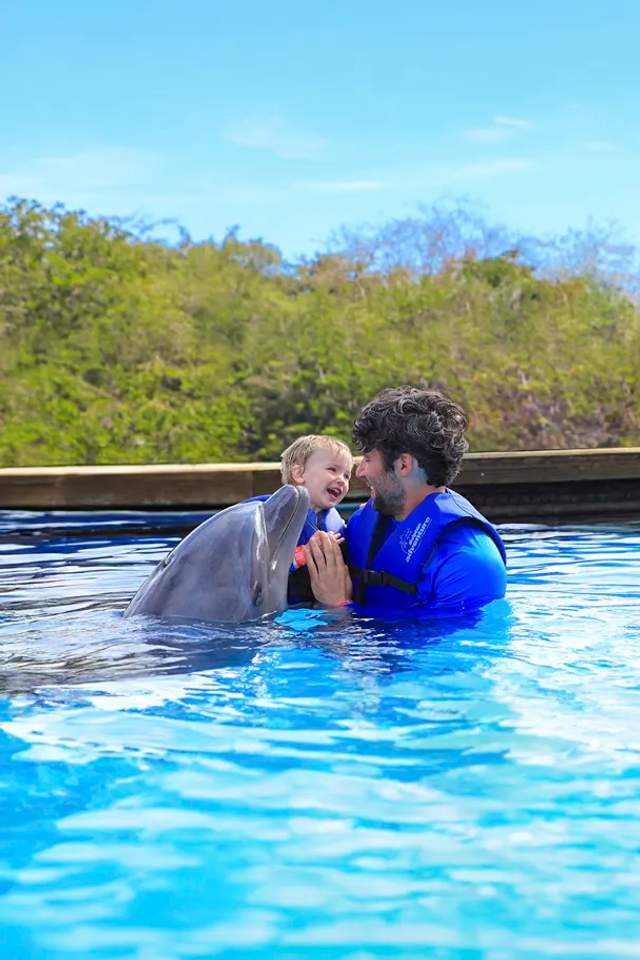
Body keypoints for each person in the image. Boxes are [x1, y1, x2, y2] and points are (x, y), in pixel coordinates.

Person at [304, 387, 507, 613]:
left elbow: (441, 648)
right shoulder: (362, 522)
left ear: (403, 465)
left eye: (368, 459)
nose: (360, 472)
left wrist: (336, 607)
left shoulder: (469, 562)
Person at [250, 435, 353, 604]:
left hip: (314, 610)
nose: (341, 480)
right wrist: (302, 554)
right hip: (278, 613)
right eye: (332, 469)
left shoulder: (337, 525)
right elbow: (258, 571)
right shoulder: (272, 515)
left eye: (347, 476)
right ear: (299, 473)